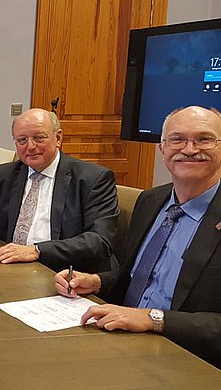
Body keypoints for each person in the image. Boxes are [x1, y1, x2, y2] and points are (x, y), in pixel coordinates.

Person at [55, 105, 221, 369]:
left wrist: (154, 319)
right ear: (162, 149)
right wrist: (96, 282)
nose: (189, 149)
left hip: (186, 359)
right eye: (177, 139)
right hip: (120, 343)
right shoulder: (150, 201)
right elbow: (139, 278)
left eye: (204, 139)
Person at [0, 108, 119, 273]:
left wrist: (37, 251)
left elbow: (99, 241)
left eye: (39, 137)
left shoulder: (92, 179)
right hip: (10, 271)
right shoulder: (4, 175)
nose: (30, 146)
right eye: (22, 140)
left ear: (58, 138)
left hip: (65, 274)